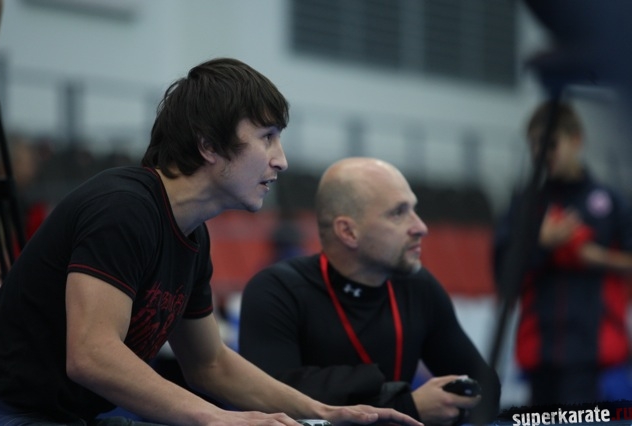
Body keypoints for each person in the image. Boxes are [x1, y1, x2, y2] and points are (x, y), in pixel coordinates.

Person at [0, 58, 422, 426]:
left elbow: (210, 363)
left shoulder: (192, 234)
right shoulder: (123, 208)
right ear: (208, 145)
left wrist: (322, 412)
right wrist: (219, 419)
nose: (282, 160)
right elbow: (91, 355)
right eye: (267, 136)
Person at [238, 157, 502, 426]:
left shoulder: (417, 286)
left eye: (414, 209)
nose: (420, 227)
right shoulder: (277, 291)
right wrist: (405, 407)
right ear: (348, 232)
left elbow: (486, 389)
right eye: (398, 213)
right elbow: (273, 403)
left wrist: (449, 402)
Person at [493, 101, 632, 406]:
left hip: (594, 356)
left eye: (551, 144)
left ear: (576, 140)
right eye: (535, 145)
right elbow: (503, 276)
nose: (542, 153)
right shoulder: (525, 204)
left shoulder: (610, 202)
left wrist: (595, 257)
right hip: (539, 354)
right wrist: (540, 243)